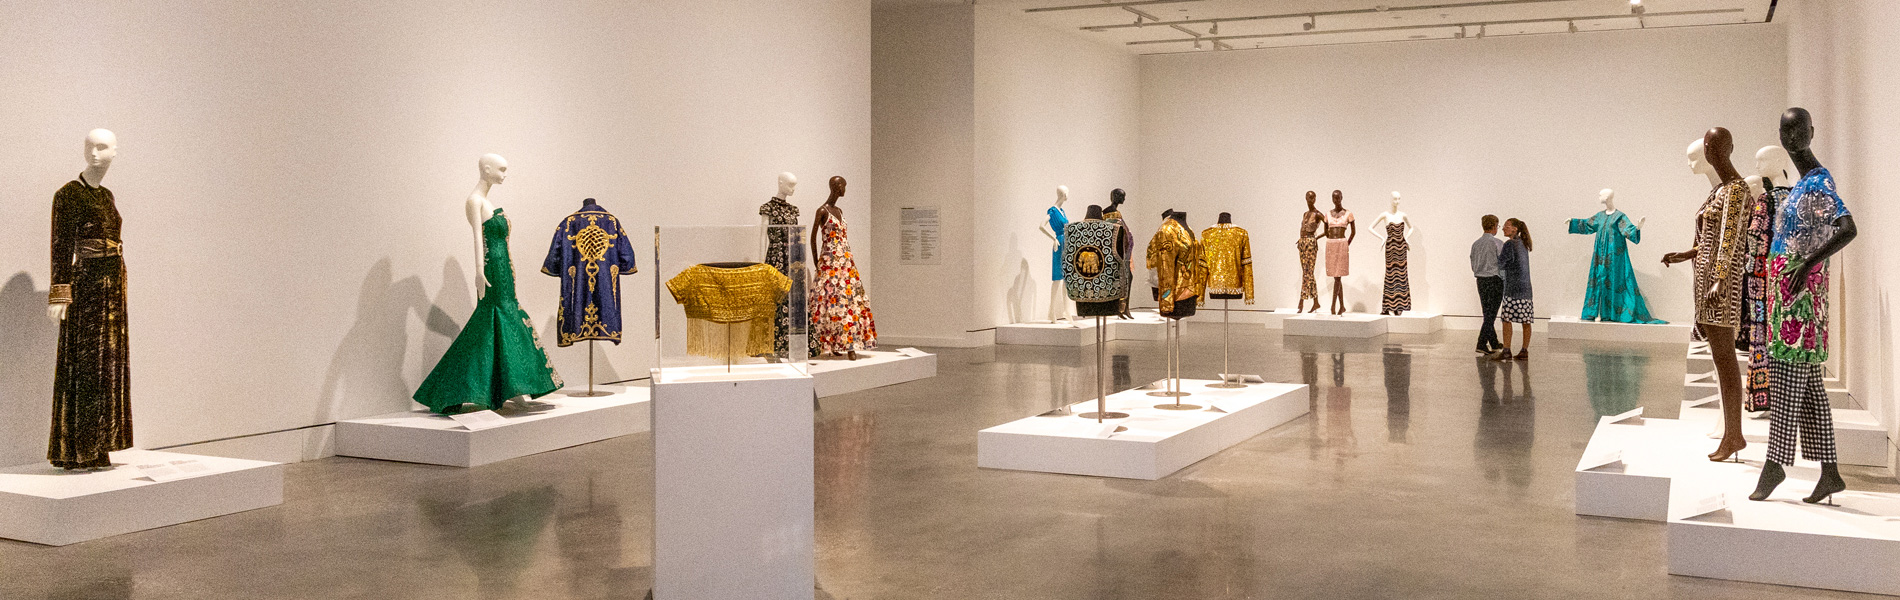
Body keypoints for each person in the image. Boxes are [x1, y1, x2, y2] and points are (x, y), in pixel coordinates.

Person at [1493, 218, 1534, 361]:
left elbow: (1501, 263)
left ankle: (1506, 350)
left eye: (1507, 226)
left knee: (1506, 319)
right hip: (1526, 289)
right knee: (1526, 320)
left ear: (1515, 229)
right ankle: (1524, 350)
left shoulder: (1510, 244)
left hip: (1512, 289)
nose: (1503, 228)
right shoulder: (1524, 243)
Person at [1469, 215, 1505, 354]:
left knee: (1487, 312)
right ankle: (1481, 343)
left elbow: (1473, 263)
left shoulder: (1476, 244)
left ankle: (1494, 342)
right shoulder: (1497, 243)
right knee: (1491, 314)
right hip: (1494, 280)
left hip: (1481, 280)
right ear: (1494, 226)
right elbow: (1502, 263)